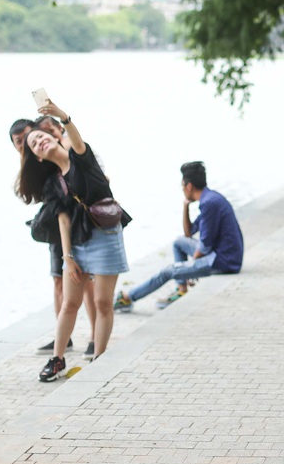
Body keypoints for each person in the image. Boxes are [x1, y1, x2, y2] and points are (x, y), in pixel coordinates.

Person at [16, 101, 132, 382]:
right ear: (37, 157)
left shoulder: (80, 155)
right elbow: (63, 220)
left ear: (54, 136)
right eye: (33, 144)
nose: (40, 141)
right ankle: (57, 359)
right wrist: (67, 258)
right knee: (70, 303)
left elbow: (75, 138)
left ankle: (99, 359)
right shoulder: (51, 183)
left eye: (41, 136)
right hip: (78, 241)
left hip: (104, 234)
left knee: (104, 302)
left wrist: (62, 115)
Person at [114, 161, 243, 311]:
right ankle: (181, 290)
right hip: (222, 254)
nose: (182, 189)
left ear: (189, 186)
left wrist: (191, 270)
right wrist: (185, 206)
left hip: (223, 260)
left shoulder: (209, 204)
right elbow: (189, 233)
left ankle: (128, 298)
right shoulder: (210, 198)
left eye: (182, 185)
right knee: (178, 243)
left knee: (168, 271)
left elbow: (205, 245)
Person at [36, 115, 99, 355]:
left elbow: (100, 180)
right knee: (59, 281)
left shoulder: (76, 154)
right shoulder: (44, 168)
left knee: (87, 286)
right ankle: (65, 339)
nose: (49, 135)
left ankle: (95, 337)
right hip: (57, 229)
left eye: (51, 130)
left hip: (83, 228)